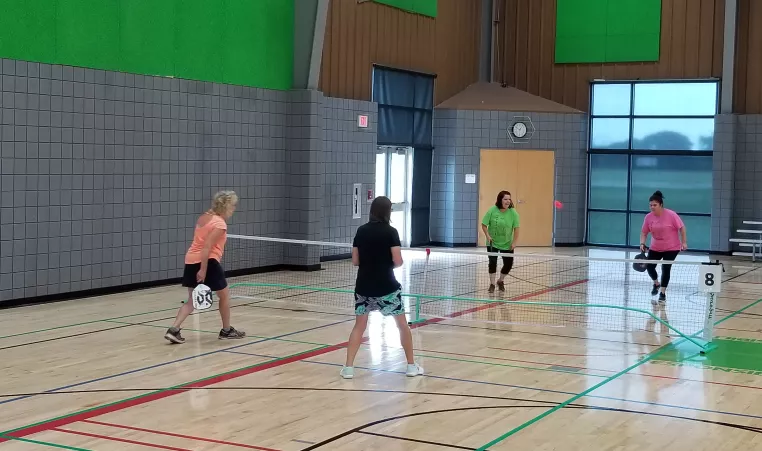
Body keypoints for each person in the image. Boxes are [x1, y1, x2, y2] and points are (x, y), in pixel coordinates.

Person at [340, 196, 424, 379]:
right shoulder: (391, 232)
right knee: (402, 325)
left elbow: (355, 261)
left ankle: (348, 368)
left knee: (359, 326)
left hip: (363, 287)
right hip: (388, 288)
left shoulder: (361, 231)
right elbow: (398, 261)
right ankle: (411, 366)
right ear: (387, 211)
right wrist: (385, 265)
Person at [164, 191, 246, 344]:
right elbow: (207, 246)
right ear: (226, 206)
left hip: (190, 259)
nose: (234, 209)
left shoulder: (204, 218)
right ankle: (226, 330)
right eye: (233, 205)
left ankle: (173, 330)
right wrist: (203, 269)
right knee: (225, 296)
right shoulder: (220, 224)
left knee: (192, 300)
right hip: (208, 262)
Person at [640, 190, 687, 303]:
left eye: (654, 205)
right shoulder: (648, 217)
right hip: (655, 247)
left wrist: (684, 242)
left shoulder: (671, 215)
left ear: (661, 205)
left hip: (672, 247)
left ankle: (662, 293)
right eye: (650, 205)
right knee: (650, 267)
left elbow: (682, 228)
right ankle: (656, 284)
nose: (652, 207)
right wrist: (642, 243)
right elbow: (644, 232)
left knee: (666, 268)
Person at [481, 191, 521, 293]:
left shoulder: (513, 213)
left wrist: (514, 242)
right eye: (505, 199)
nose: (508, 201)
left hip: (507, 243)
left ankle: (500, 280)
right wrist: (487, 236)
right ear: (500, 200)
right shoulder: (492, 210)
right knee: (492, 263)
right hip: (492, 242)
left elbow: (516, 229)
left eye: (509, 199)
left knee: (508, 264)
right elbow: (484, 224)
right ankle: (492, 284)